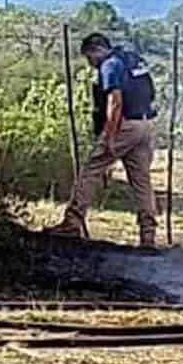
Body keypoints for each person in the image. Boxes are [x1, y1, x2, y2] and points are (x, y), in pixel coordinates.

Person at [47, 33, 158, 247]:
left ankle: (72, 222)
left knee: (91, 169)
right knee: (141, 181)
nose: (90, 63)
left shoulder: (110, 65)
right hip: (146, 124)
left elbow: (115, 102)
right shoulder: (132, 60)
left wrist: (109, 135)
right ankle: (148, 236)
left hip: (125, 126)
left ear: (96, 50)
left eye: (89, 57)